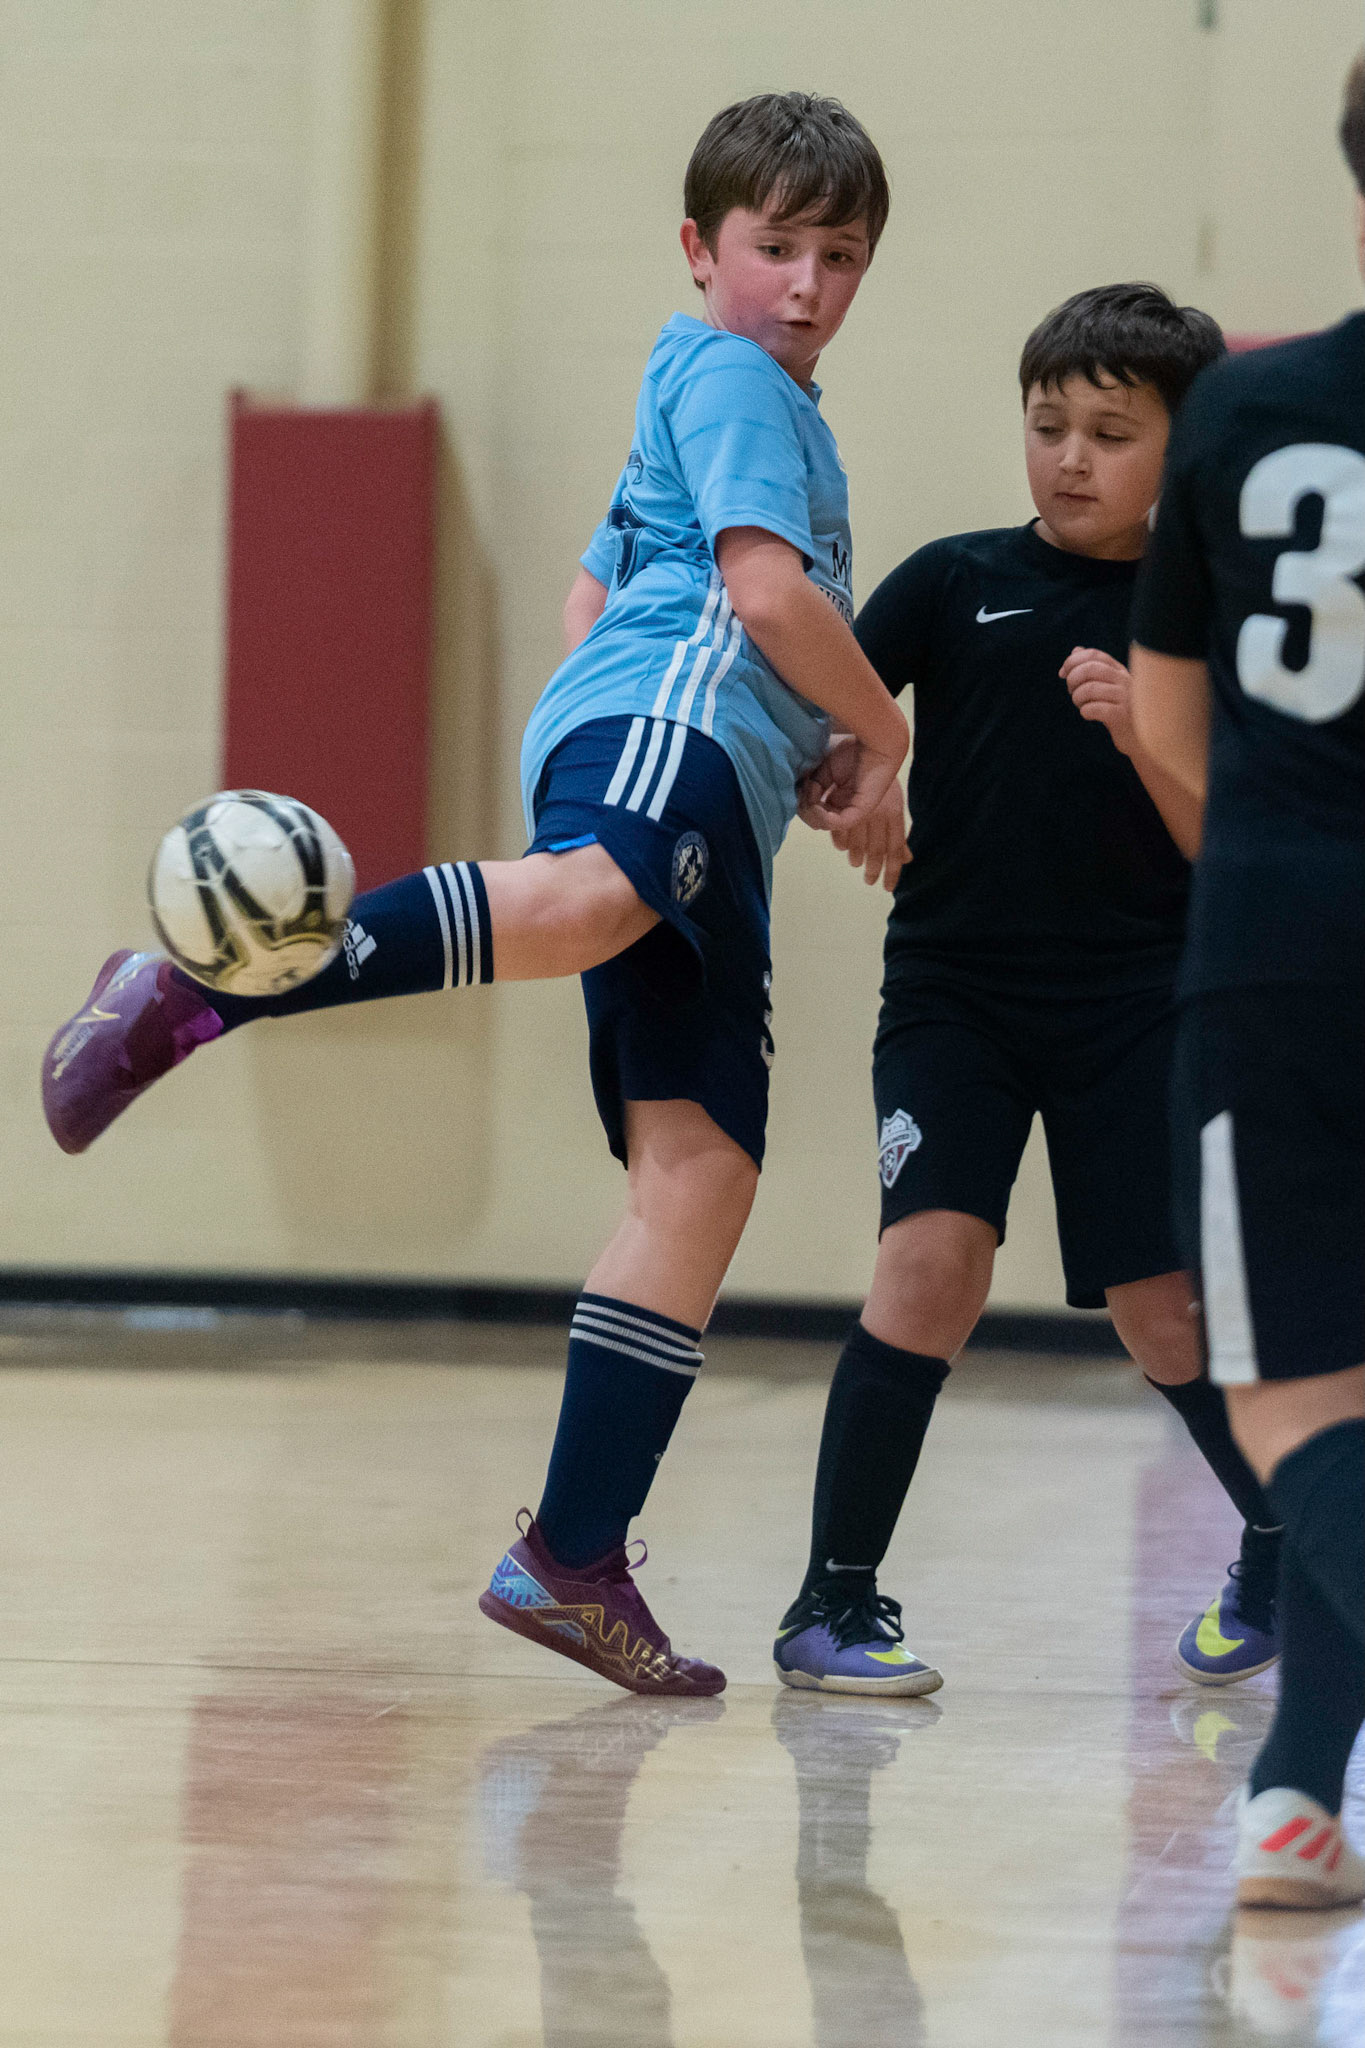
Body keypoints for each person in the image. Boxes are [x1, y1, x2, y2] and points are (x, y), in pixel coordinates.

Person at [42, 92, 907, 1700]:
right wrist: (877, 725)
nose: (802, 283)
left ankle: (573, 1558)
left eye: (836, 255)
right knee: (584, 908)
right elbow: (764, 595)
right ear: (697, 249)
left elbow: (596, 576)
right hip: (676, 726)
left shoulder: (734, 391)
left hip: (661, 739)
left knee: (699, 1170)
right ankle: (205, 986)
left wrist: (616, 732)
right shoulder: (727, 374)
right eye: (772, 246)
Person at [774, 283, 1285, 1699]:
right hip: (956, 995)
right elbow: (828, 736)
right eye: (1046, 423)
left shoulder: (1212, 626)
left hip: (1140, 1004)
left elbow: (1223, 845)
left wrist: (1141, 728)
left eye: (1108, 432)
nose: (1066, 456)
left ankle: (1280, 1545)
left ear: (1177, 454)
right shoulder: (950, 580)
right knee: (929, 1266)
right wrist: (852, 783)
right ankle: (832, 1599)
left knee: (1161, 1312)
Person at [1128, 54, 1365, 1914]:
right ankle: (1294, 1792)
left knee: (1295, 1393)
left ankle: (1299, 1791)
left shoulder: (1237, 413)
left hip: (1276, 943)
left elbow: (1179, 730)